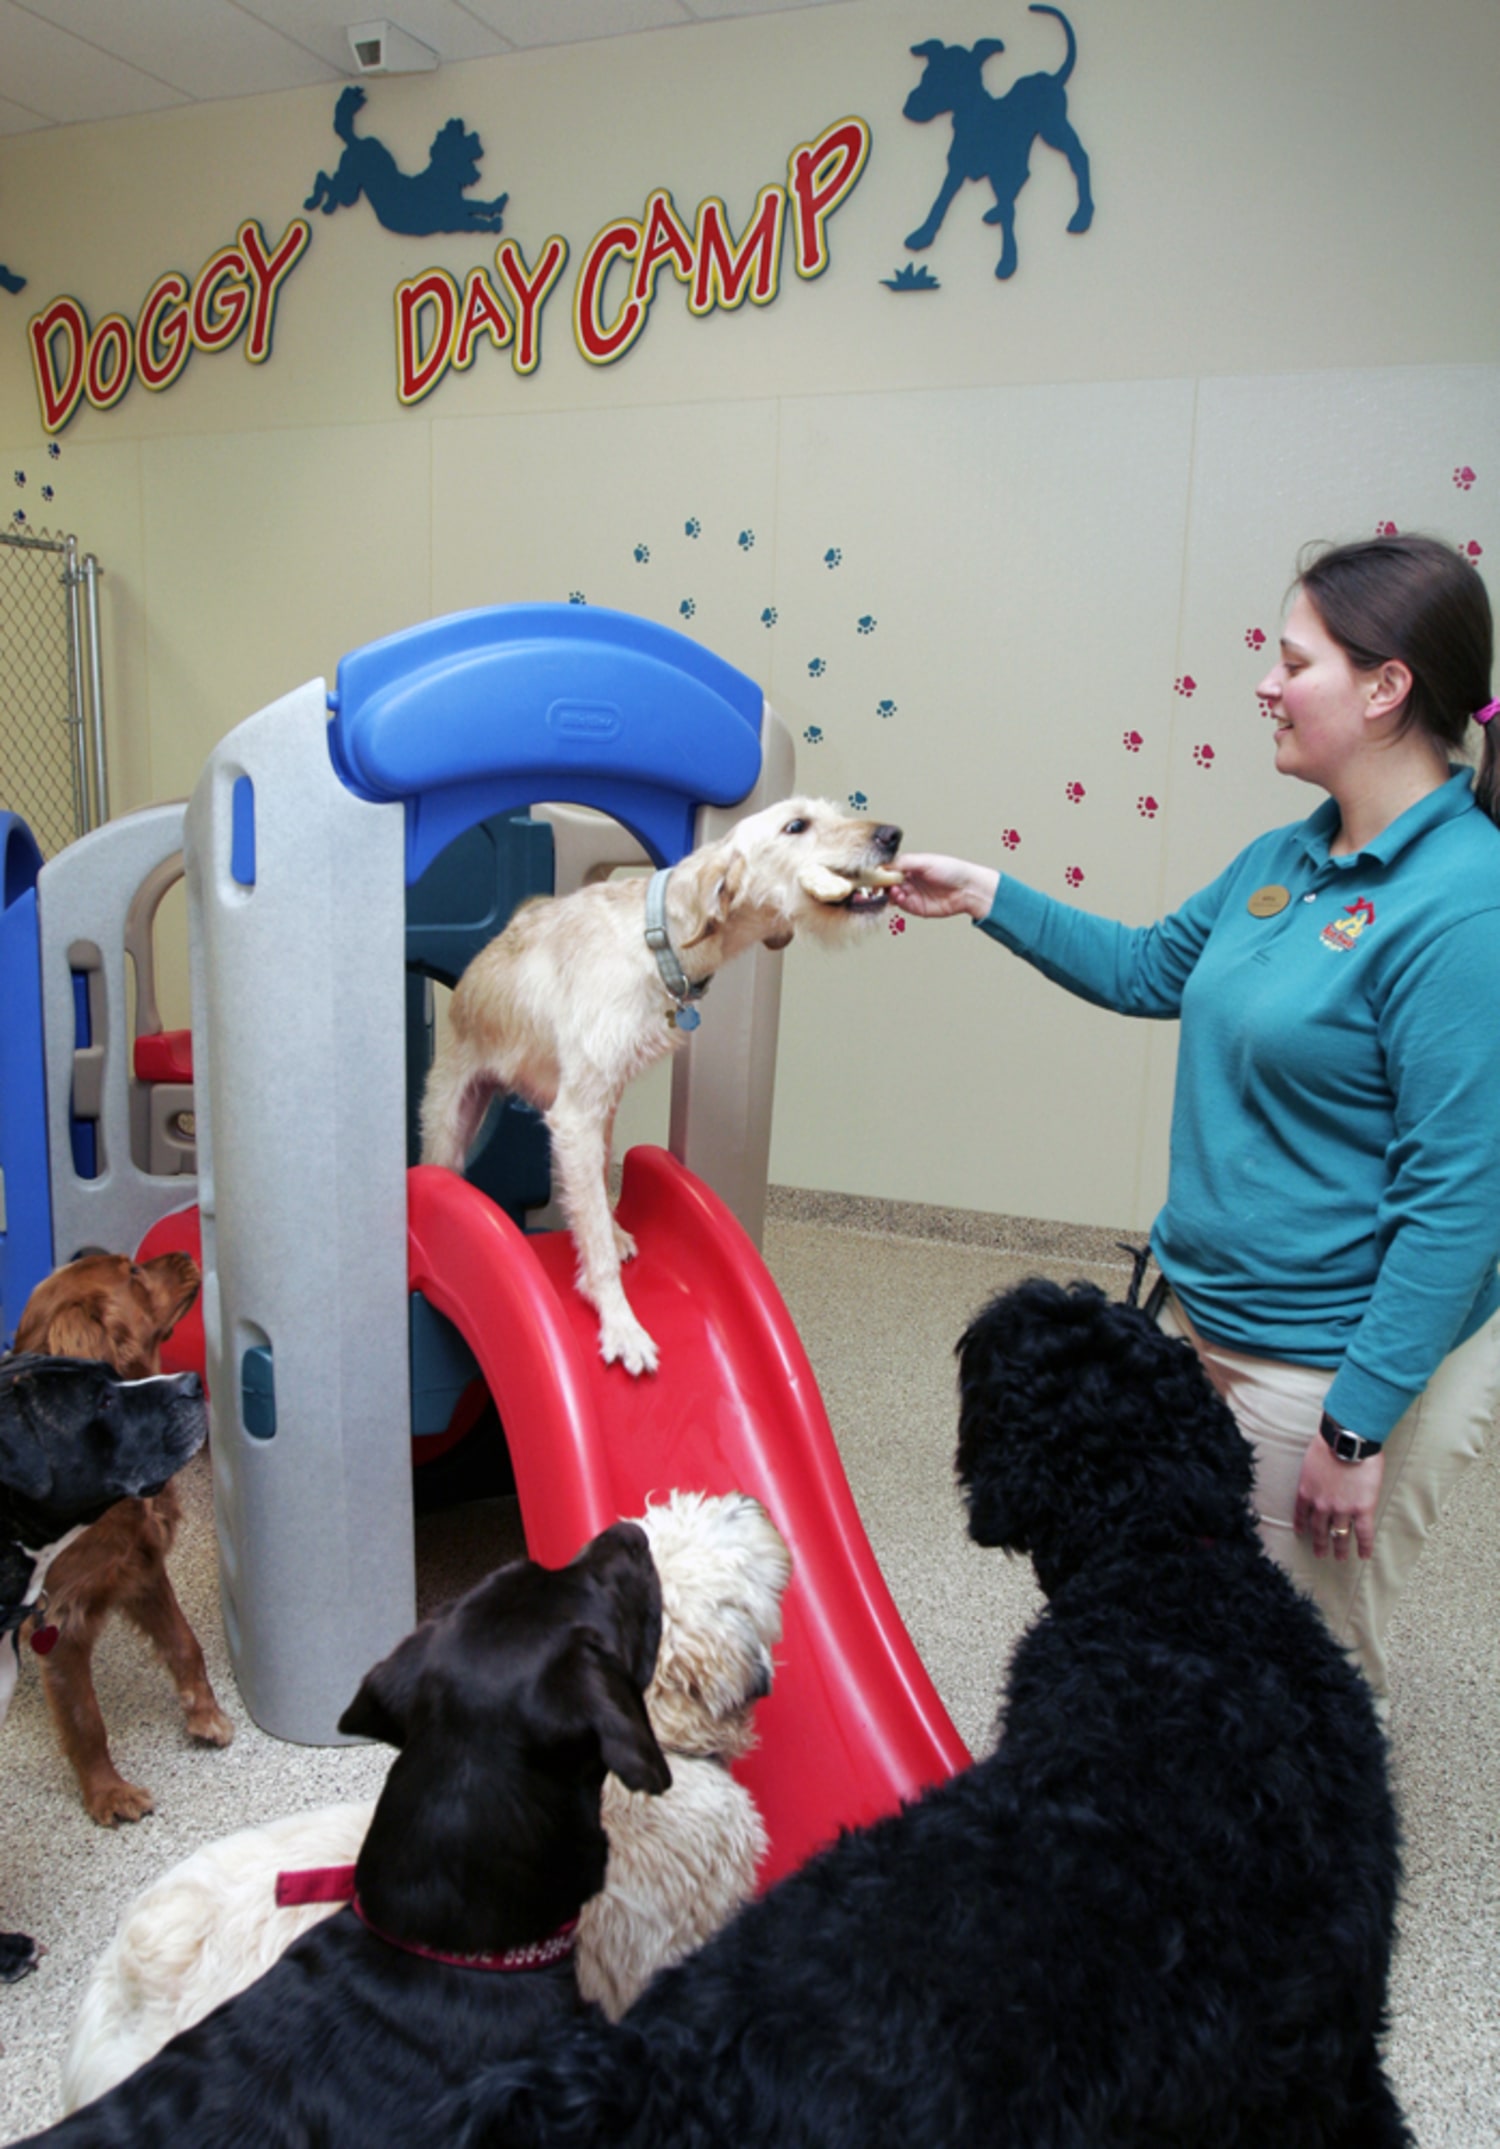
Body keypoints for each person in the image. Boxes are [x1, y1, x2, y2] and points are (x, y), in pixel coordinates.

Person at [892, 532, 1500, 1704]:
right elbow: (1143, 968)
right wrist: (983, 894)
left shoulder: (1464, 904)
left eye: (1292, 661)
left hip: (1329, 1368)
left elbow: (1460, 1199)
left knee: (1294, 1682)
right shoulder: (1288, 856)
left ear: (1386, 690)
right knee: (1199, 1640)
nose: (1265, 684)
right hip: (1210, 1323)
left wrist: (1358, 1430)